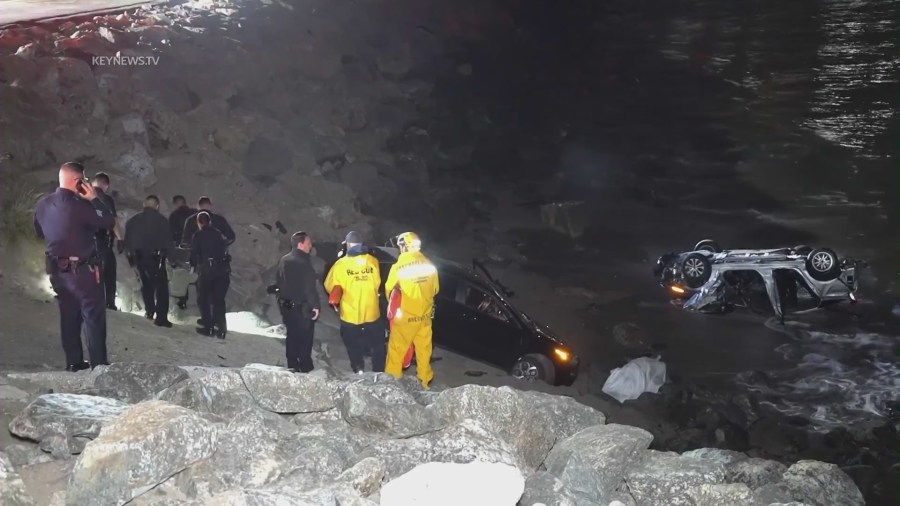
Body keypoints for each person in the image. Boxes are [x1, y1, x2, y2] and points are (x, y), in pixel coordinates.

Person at [33, 162, 115, 371]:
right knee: (93, 316)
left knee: (68, 315)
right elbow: (108, 221)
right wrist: (94, 198)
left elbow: (39, 232)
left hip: (58, 271)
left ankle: (73, 362)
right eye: (84, 179)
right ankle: (98, 364)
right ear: (78, 181)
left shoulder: (42, 204)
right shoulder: (82, 206)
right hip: (84, 271)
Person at [324, 231, 385, 374]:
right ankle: (379, 371)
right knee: (377, 344)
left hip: (350, 314)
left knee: (353, 344)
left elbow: (330, 286)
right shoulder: (373, 261)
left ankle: (359, 369)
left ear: (348, 245)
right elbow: (377, 283)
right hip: (371, 312)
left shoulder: (340, 265)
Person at [384, 232, 439, 388]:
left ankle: (392, 383)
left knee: (396, 350)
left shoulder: (398, 267)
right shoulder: (429, 265)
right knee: (424, 351)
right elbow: (435, 289)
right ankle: (424, 382)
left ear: (404, 246)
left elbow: (390, 292)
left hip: (406, 318)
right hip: (425, 317)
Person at [274, 231, 321, 372]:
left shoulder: (284, 260)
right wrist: (315, 306)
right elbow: (309, 288)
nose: (310, 245)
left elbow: (279, 283)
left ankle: (292, 364)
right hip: (302, 307)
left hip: (287, 306)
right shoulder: (304, 263)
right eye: (308, 243)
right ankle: (305, 366)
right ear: (300, 244)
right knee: (305, 338)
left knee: (292, 336)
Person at [124, 195, 173, 327]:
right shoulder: (162, 221)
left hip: (139, 258)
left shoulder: (133, 220)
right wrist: (171, 258)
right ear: (157, 206)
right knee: (161, 287)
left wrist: (131, 259)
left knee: (146, 284)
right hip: (156, 259)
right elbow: (168, 242)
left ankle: (150, 311)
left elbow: (127, 241)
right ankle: (161, 318)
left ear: (144, 204)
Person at [190, 212, 230, 338]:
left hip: (207, 270)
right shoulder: (219, 234)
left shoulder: (198, 235)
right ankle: (222, 329)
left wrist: (193, 266)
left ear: (199, 223)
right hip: (222, 270)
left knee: (203, 299)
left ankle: (209, 327)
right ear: (209, 221)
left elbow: (194, 253)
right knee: (219, 300)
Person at [91, 172, 121, 310]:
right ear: (106, 185)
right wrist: (120, 238)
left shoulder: (80, 195)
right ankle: (109, 302)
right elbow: (113, 220)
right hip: (102, 239)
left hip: (84, 239)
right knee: (108, 271)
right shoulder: (105, 198)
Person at [168, 195, 196, 310]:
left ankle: (182, 301)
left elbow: (171, 234)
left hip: (182, 250)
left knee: (181, 275)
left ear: (175, 204)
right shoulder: (195, 213)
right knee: (198, 275)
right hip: (196, 249)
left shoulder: (174, 216)